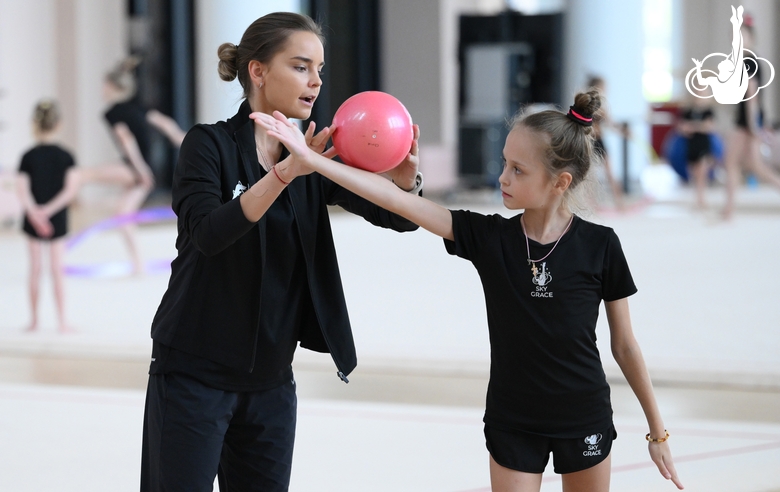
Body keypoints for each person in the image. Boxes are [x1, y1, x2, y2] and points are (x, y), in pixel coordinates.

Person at [256, 90, 684, 491]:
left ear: (560, 182)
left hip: (583, 414)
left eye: (518, 170)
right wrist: (316, 163)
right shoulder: (489, 236)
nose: (503, 177)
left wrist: (657, 430)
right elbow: (400, 203)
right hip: (513, 419)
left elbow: (625, 346)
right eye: (504, 163)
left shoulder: (601, 245)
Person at [140, 12, 421, 492]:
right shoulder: (207, 145)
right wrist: (285, 173)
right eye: (300, 66)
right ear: (257, 71)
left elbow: (398, 216)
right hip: (192, 376)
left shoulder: (313, 157)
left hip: (270, 383)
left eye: (320, 70)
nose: (315, 82)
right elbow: (208, 232)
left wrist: (404, 181)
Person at [81, 56, 186, 273]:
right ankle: (138, 264)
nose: (101, 89)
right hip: (143, 168)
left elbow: (127, 140)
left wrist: (141, 170)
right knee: (123, 214)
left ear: (111, 87)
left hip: (137, 169)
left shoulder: (112, 112)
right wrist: (185, 139)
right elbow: (166, 124)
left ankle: (65, 207)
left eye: (103, 85)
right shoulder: (138, 106)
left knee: (83, 175)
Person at [15, 100, 80, 333]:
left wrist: (35, 212)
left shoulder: (27, 156)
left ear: (34, 123)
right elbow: (70, 191)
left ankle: (34, 321)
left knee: (35, 269)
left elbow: (22, 190)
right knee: (56, 269)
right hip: (56, 217)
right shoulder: (66, 156)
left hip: (33, 218)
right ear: (59, 124)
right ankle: (62, 321)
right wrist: (49, 212)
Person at [719, 10, 780, 219]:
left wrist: (754, 126)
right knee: (753, 166)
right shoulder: (749, 60)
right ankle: (729, 208)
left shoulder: (748, 61)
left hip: (747, 121)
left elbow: (752, 95)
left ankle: (729, 209)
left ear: (751, 37)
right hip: (748, 119)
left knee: (732, 162)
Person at [586, 75, 627, 209]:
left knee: (609, 172)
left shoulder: (601, 105)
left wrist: (622, 131)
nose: (605, 90)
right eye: (603, 88)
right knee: (590, 173)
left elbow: (610, 123)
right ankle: (592, 203)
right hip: (589, 141)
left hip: (599, 140)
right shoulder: (587, 104)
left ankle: (619, 201)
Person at [678, 102, 717, 209]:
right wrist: (700, 126)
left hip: (703, 146)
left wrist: (693, 126)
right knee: (694, 174)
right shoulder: (688, 112)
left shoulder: (708, 111)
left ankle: (702, 199)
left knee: (702, 173)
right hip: (691, 146)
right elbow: (683, 129)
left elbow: (709, 127)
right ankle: (697, 199)